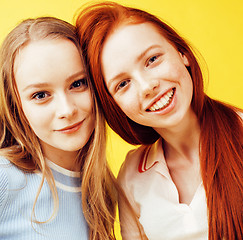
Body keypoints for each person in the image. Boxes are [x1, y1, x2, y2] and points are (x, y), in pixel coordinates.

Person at [75, 2, 243, 240]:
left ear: (181, 52)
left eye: (152, 59)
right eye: (123, 84)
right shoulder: (132, 176)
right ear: (115, 105)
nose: (146, 87)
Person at [0, 16, 117, 240]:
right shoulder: (4, 177)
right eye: (41, 95)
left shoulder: (104, 189)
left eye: (78, 83)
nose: (67, 110)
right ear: (17, 106)